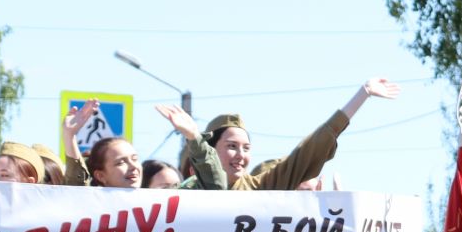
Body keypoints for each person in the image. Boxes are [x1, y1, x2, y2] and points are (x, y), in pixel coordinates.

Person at [184, 78, 400, 191]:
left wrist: (363, 94)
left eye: (246, 148)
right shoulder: (184, 195)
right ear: (210, 149)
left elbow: (310, 149)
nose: (241, 155)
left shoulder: (260, 188)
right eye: (232, 146)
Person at [62, 102, 224, 189]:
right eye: (120, 162)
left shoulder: (161, 205)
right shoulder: (92, 207)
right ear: (101, 176)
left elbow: (214, 187)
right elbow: (76, 194)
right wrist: (69, 137)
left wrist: (193, 136)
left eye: (134, 158)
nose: (133, 166)